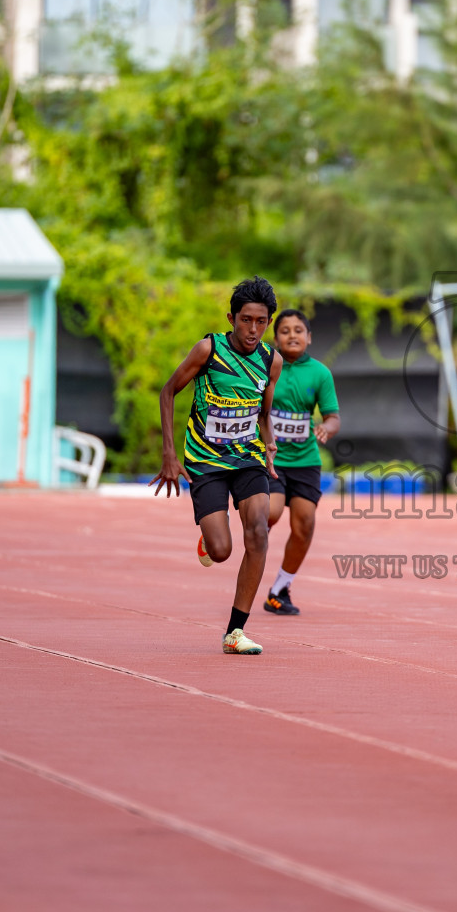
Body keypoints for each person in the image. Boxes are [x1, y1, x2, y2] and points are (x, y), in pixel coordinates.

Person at [151, 277, 283, 655]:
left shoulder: (270, 361)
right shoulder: (209, 349)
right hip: (206, 460)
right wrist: (170, 455)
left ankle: (235, 632)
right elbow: (167, 391)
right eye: (245, 321)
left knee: (258, 531)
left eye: (260, 322)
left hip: (248, 457)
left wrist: (269, 442)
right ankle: (209, 540)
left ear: (268, 322)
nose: (252, 330)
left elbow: (264, 412)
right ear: (231, 317)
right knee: (222, 550)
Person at [263, 309, 341, 615]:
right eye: (285, 330)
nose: (292, 335)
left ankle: (280, 589)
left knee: (304, 524)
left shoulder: (320, 373)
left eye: (299, 330)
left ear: (309, 337)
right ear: (275, 337)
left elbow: (333, 416)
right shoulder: (266, 366)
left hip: (306, 460)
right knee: (269, 512)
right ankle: (251, 529)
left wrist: (327, 428)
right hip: (270, 456)